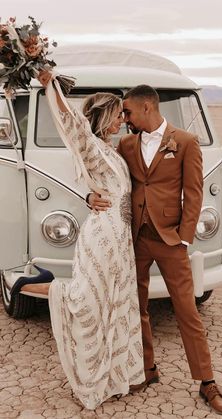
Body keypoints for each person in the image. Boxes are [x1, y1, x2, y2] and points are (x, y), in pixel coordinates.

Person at [88, 84, 222, 415]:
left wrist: (183, 237)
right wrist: (89, 197)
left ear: (147, 108)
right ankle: (146, 370)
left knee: (187, 311)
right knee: (136, 308)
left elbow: (194, 193)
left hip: (169, 239)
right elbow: (103, 178)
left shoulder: (185, 142)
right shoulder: (125, 144)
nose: (124, 119)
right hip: (134, 238)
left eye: (128, 112)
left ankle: (207, 381)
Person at [11, 71, 145, 410]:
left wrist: (89, 195)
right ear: (104, 116)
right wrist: (49, 85)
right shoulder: (93, 149)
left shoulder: (112, 152)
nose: (121, 122)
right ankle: (34, 285)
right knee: (87, 302)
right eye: (117, 116)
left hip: (121, 240)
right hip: (101, 237)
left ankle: (115, 377)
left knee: (115, 306)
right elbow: (73, 124)